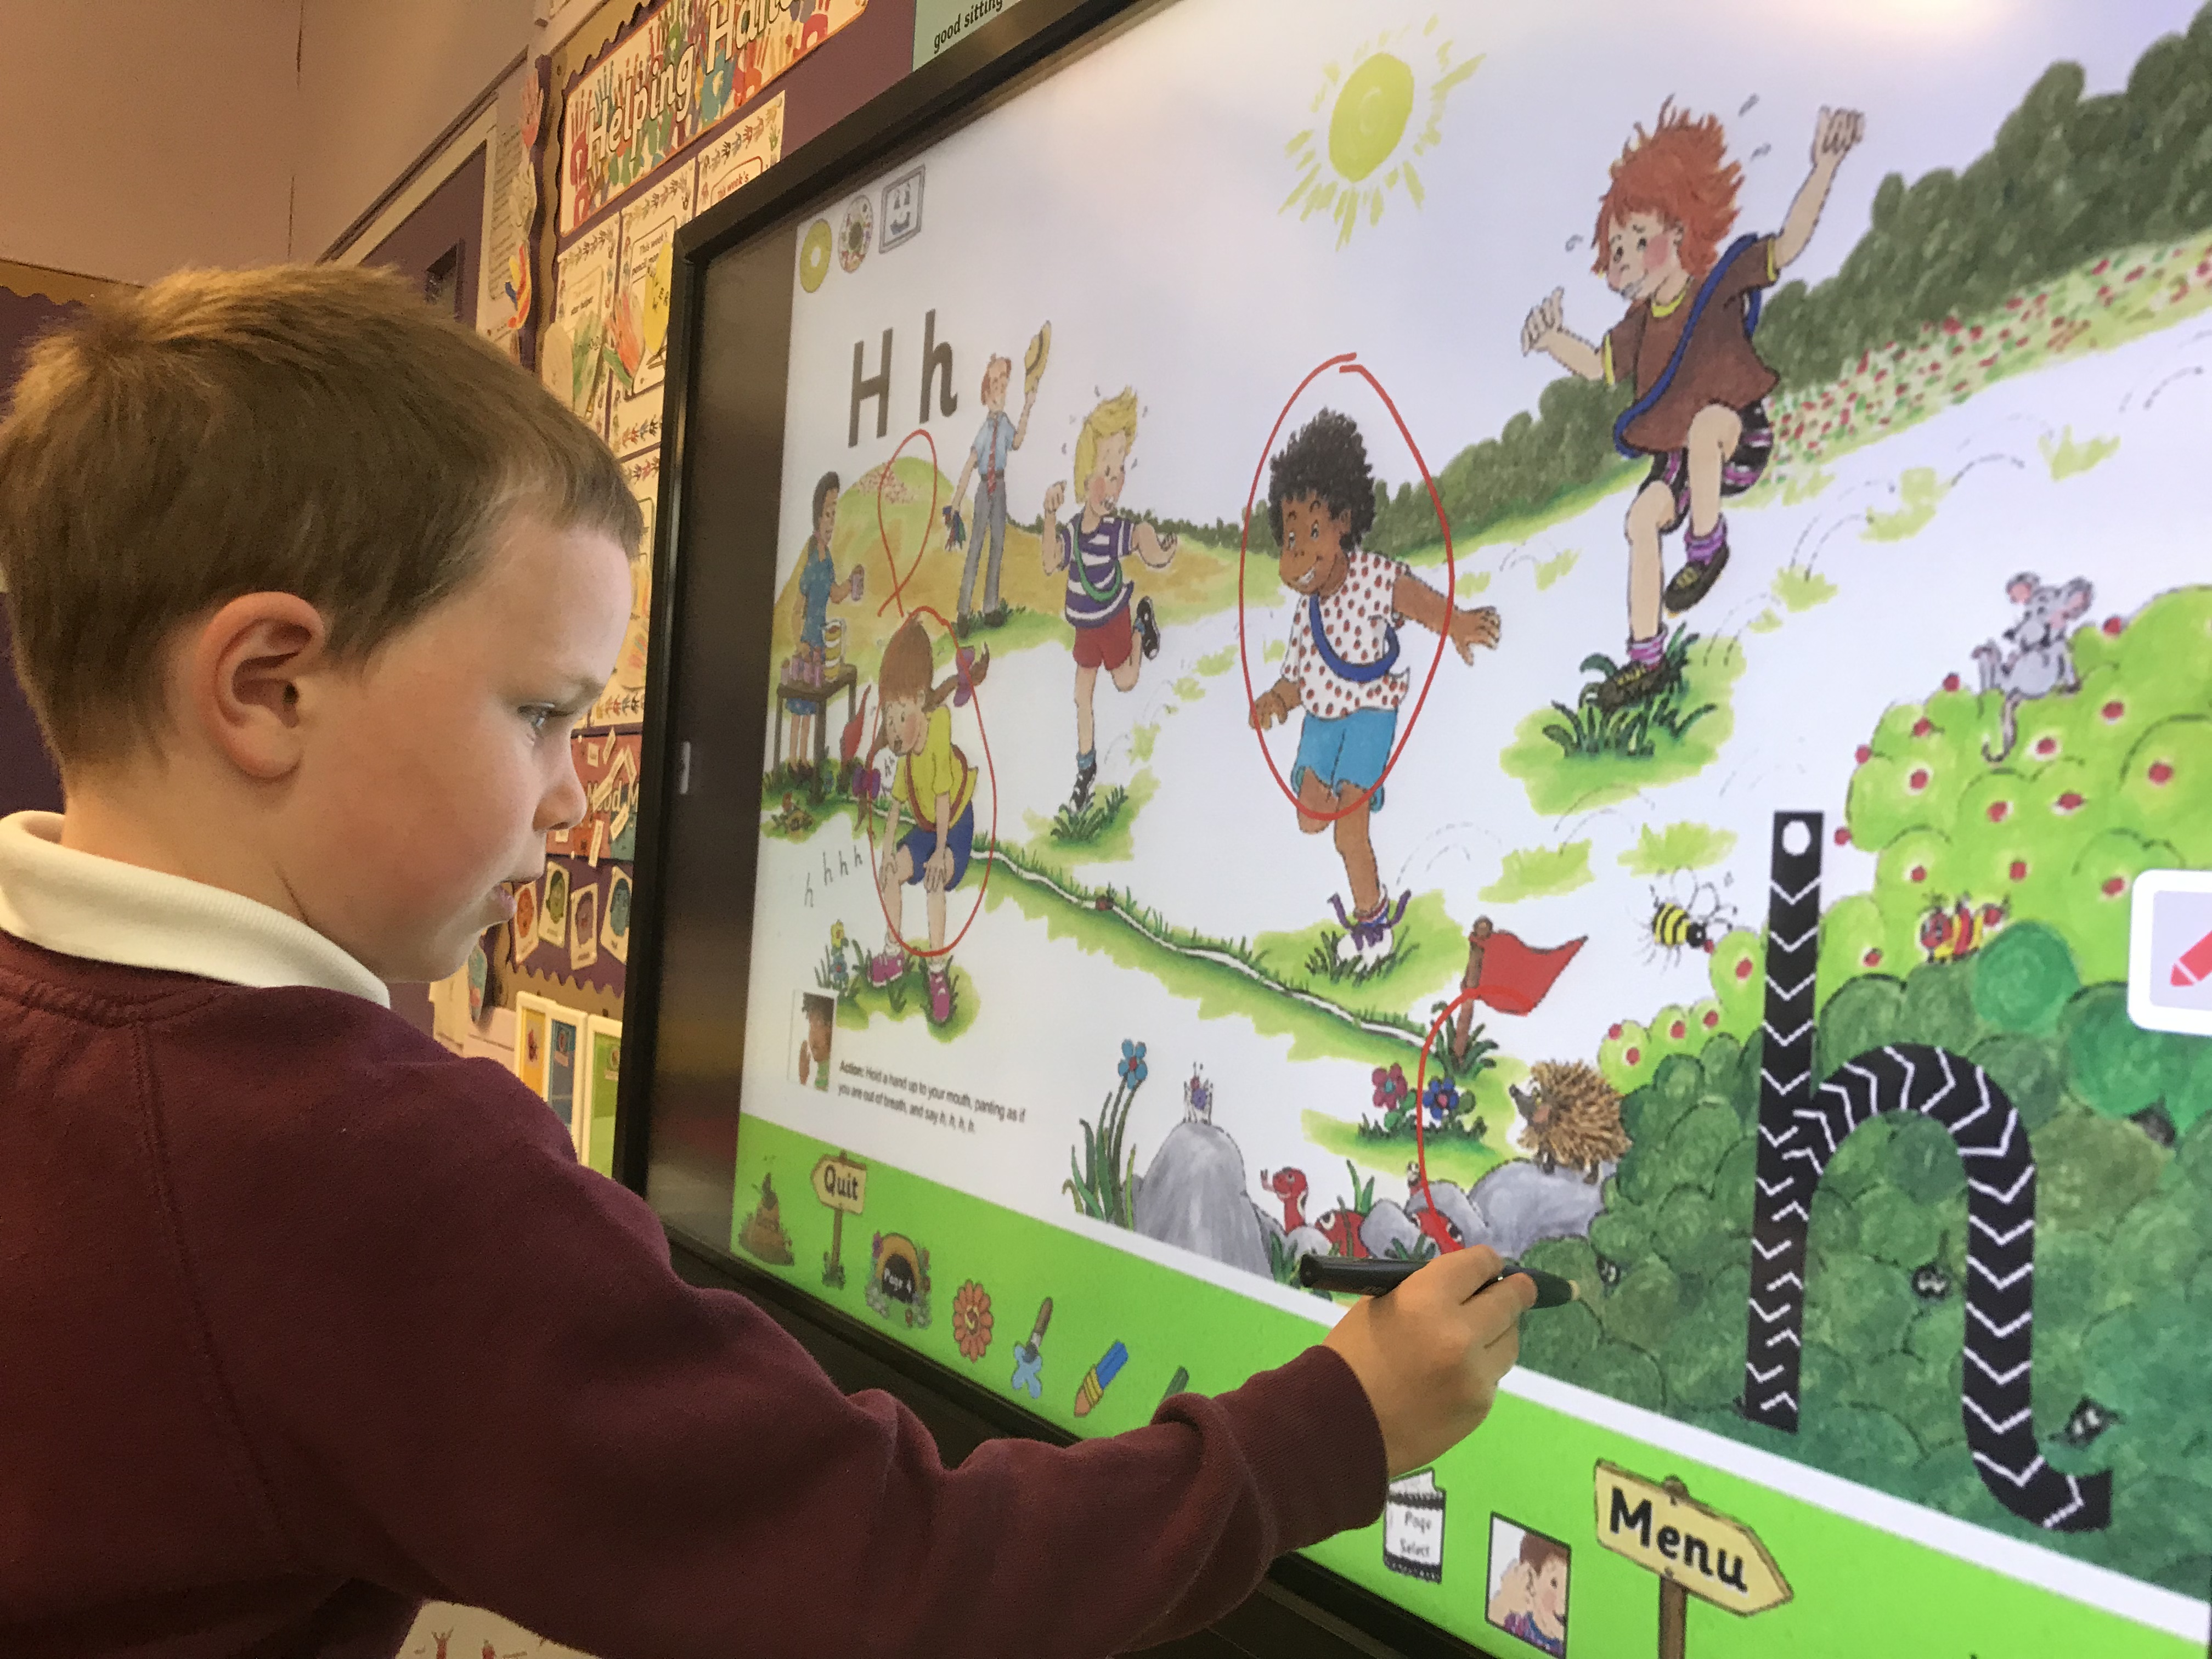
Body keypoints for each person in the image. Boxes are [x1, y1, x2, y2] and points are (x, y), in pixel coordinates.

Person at [0, 266, 1539, 1659]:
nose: (575, 798)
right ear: (269, 690)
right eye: (539, 714)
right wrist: (1339, 1425)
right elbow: (904, 1576)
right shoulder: (357, 1166)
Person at [1521, 100, 1863, 710]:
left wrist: (1825, 168)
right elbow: (1598, 364)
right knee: (1640, 519)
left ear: (1680, 230)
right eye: (1616, 249)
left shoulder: (1719, 282)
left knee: (1706, 427)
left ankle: (1707, 548)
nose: (1624, 259)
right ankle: (1645, 659)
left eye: (1638, 240)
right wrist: (1552, 341)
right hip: (1677, 462)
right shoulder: (1638, 325)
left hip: (1735, 435)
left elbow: (1787, 245)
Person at [1248, 410, 1499, 967]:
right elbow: (1297, 676)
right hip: (1322, 720)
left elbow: (1414, 600)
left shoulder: (1370, 576)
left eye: (1313, 532)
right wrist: (1277, 701)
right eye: (1291, 536)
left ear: (1343, 521)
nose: (1299, 551)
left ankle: (1372, 924)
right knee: (1310, 815)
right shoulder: (1306, 612)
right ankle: (1365, 901)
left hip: (1367, 716)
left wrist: (1457, 623)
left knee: (1348, 832)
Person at [1040, 387, 1175, 811]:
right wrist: (1049, 516)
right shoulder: (1073, 532)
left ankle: (1141, 624)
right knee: (1082, 694)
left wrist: (1159, 552)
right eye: (1106, 469)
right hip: (1085, 627)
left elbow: (1139, 537)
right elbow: (1050, 561)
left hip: (1113, 619)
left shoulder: (1114, 532)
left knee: (1126, 680)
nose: (1114, 481)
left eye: (1119, 470)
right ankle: (1086, 768)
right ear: (1085, 477)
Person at [862, 616, 988, 1024]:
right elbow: (896, 810)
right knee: (892, 871)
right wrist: (887, 855)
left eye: (901, 716)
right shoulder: (905, 759)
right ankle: (894, 954)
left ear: (920, 700)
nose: (894, 730)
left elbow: (943, 799)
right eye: (889, 718)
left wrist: (938, 853)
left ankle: (936, 971)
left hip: (954, 824)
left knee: (935, 880)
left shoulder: (938, 730)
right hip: (927, 828)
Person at [945, 351, 1036, 635]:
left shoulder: (1005, 424)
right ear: (985, 395)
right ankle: (963, 612)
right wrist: (955, 503)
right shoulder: (985, 431)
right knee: (976, 547)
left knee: (998, 545)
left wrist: (1027, 407)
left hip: (1001, 488)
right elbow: (970, 465)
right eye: (995, 387)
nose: (1000, 392)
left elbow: (1017, 442)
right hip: (985, 488)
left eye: (1003, 386)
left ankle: (990, 608)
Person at [786, 469, 854, 774]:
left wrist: (850, 585)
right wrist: (799, 643)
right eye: (828, 514)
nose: (831, 523)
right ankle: (794, 761)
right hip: (808, 643)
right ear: (817, 517)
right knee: (799, 709)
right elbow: (796, 611)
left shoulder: (828, 562)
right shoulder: (812, 563)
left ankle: (804, 761)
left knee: (811, 708)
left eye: (834, 515)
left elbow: (835, 594)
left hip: (821, 644)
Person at [1486, 1528, 1570, 1656]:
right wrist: (1504, 1601)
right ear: (1531, 1583)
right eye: (1554, 1583)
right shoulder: (1515, 1621)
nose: (1564, 1598)